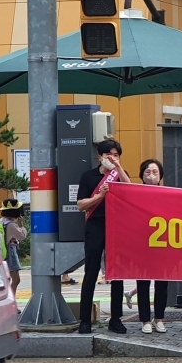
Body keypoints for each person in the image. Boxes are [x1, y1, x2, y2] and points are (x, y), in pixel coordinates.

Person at [76, 139, 131, 335]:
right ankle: (85, 321)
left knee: (116, 274)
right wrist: (100, 196)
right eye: (109, 154)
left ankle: (116, 319)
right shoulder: (88, 177)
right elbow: (81, 205)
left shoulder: (119, 175)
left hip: (116, 225)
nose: (113, 158)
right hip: (95, 225)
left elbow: (131, 191)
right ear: (100, 156)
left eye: (116, 155)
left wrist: (118, 168)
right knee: (91, 272)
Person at [133, 159, 171, 334]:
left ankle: (159, 319)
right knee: (143, 284)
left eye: (155, 172)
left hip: (162, 245)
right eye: (147, 172)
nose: (151, 175)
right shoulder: (135, 192)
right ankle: (145, 320)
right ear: (141, 175)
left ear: (160, 176)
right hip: (141, 244)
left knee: (162, 284)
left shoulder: (168, 194)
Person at [0, 200, 26, 303]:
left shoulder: (0, 221)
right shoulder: (11, 225)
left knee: (6, 280)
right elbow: (22, 236)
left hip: (2, 253)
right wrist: (21, 224)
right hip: (11, 252)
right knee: (16, 279)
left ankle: (6, 301)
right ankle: (10, 302)